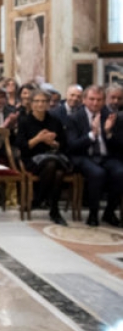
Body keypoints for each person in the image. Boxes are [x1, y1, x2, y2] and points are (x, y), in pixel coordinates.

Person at [65, 85, 123, 227]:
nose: (95, 103)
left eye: (99, 100)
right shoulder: (74, 118)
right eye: (91, 99)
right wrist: (92, 135)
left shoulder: (111, 116)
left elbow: (120, 145)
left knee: (120, 172)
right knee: (97, 173)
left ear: (104, 101)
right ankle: (93, 213)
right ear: (84, 100)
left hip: (106, 156)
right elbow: (72, 146)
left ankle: (109, 212)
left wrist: (108, 132)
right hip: (84, 156)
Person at [17, 90, 70, 225]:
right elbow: (22, 146)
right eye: (37, 101)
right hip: (32, 159)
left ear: (48, 104)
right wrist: (38, 139)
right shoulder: (24, 121)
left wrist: (54, 143)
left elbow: (64, 144)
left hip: (53, 156)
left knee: (57, 170)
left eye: (44, 101)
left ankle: (41, 202)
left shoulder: (55, 121)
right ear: (32, 104)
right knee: (53, 168)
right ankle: (50, 207)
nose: (40, 104)